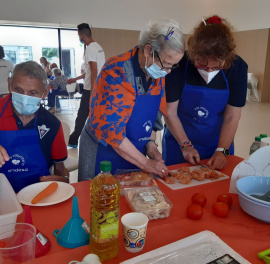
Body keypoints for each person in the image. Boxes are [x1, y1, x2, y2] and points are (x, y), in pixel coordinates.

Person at [78, 18, 185, 181]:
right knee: (100, 200)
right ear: (148, 50)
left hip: (135, 153)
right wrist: (147, 164)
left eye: (173, 65)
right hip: (103, 152)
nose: (168, 71)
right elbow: (113, 134)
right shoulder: (116, 72)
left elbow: (152, 117)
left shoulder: (157, 72)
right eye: (167, 64)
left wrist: (151, 145)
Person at [162, 15, 248, 170]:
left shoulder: (237, 67)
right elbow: (170, 113)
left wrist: (223, 150)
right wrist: (185, 145)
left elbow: (232, 116)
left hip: (218, 143)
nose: (209, 70)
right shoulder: (178, 65)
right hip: (178, 141)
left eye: (217, 67)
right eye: (202, 64)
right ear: (194, 54)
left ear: (226, 59)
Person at [0, 61, 69, 193]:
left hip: (36, 195)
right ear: (9, 84)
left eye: (32, 93)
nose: (25, 98)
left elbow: (60, 169)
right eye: (19, 90)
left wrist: (64, 180)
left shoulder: (52, 124)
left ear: (45, 93)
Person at [67, 23, 105, 148]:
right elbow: (90, 73)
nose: (79, 37)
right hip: (99, 88)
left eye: (79, 35)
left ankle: (73, 141)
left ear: (82, 35)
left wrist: (92, 94)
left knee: (82, 116)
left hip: (91, 89)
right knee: (95, 116)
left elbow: (94, 73)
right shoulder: (99, 47)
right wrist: (75, 79)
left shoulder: (89, 49)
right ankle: (98, 140)